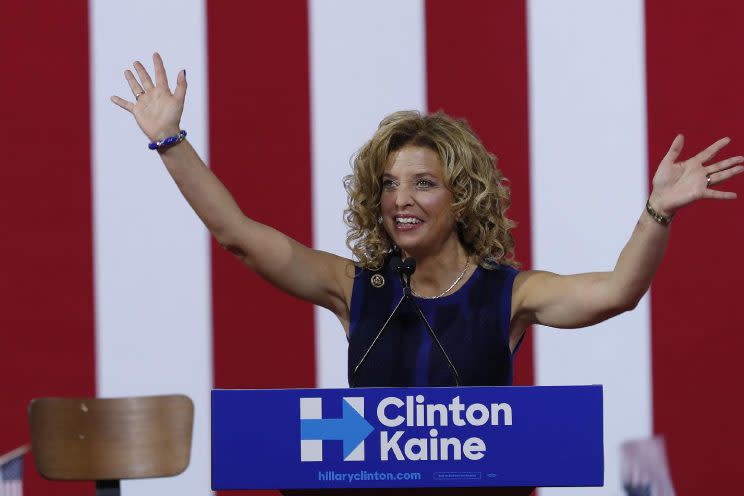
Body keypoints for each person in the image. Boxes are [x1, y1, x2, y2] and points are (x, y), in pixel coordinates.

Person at [112, 53, 743, 387]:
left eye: (422, 184)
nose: (400, 200)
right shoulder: (356, 289)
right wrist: (170, 142)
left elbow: (617, 292)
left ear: (462, 197)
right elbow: (238, 236)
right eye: (388, 185)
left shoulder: (510, 294)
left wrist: (658, 210)